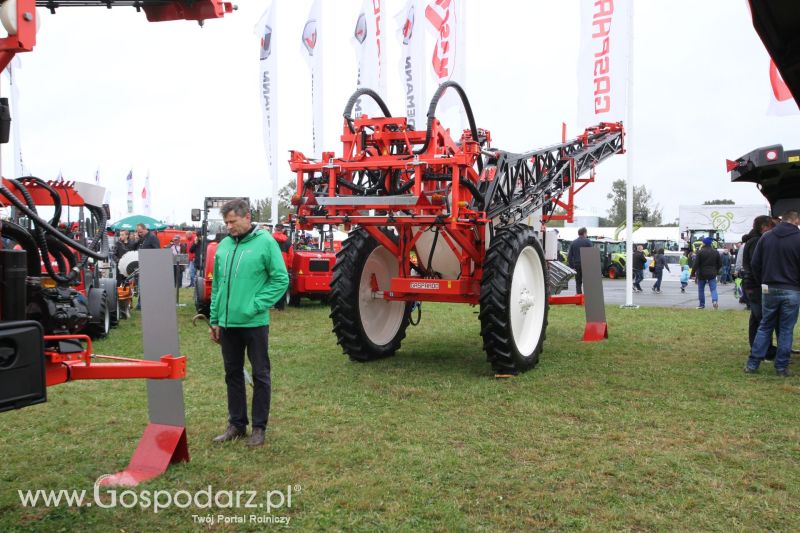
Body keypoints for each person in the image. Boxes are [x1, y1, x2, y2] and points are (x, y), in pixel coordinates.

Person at [209, 199, 289, 447]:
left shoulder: (265, 243)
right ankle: (236, 424)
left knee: (260, 374)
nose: (229, 226)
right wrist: (215, 318)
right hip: (228, 324)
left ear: (247, 217)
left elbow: (280, 279)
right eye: (226, 222)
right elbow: (218, 286)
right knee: (232, 374)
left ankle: (259, 428)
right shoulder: (223, 246)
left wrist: (256, 304)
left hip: (254, 323)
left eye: (233, 221)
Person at [745, 210, 800, 376]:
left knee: (765, 326)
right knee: (785, 329)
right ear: (796, 220)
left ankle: (753, 364)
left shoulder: (766, 237)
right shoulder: (798, 238)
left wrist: (763, 280)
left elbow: (755, 263)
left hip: (769, 288)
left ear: (783, 219)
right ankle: (781, 367)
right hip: (792, 289)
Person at [741, 215, 776, 357]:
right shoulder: (757, 241)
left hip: (752, 284)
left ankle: (761, 348)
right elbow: (757, 265)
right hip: (756, 285)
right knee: (763, 319)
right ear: (764, 227)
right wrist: (763, 282)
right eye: (771, 227)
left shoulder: (752, 240)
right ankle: (762, 350)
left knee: (756, 319)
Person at [132, 223, 160, 310]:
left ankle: (145, 304)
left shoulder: (152, 237)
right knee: (142, 286)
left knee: (147, 286)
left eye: (140, 232)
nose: (139, 234)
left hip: (150, 265)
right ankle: (140, 304)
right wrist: (136, 240)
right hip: (143, 264)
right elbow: (133, 248)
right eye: (138, 232)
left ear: (145, 229)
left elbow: (157, 251)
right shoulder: (142, 238)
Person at [692, 237, 722, 309]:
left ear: (704, 243)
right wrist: (716, 270)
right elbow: (720, 264)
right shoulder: (716, 252)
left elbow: (696, 264)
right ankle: (714, 301)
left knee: (701, 289)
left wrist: (692, 273)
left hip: (701, 273)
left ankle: (702, 305)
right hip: (712, 273)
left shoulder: (700, 252)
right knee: (713, 289)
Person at [567, 227, 593, 294]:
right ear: (584, 233)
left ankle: (579, 297)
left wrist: (572, 266)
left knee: (578, 282)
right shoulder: (588, 242)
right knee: (588, 282)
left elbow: (569, 256)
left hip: (577, 265)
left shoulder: (573, 243)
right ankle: (588, 298)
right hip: (586, 265)